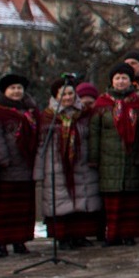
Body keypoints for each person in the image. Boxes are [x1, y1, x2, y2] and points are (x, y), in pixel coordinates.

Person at [91, 64, 139, 246]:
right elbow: (95, 133)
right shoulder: (102, 104)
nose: (121, 82)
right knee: (113, 201)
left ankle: (129, 234)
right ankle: (112, 235)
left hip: (134, 158)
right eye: (117, 78)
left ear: (131, 81)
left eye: (124, 78)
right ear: (112, 81)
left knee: (132, 199)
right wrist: (94, 158)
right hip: (109, 160)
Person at [38, 77, 102, 247]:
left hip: (81, 162)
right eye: (63, 94)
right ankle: (63, 237)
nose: (67, 97)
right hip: (57, 164)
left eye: (70, 93)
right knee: (61, 201)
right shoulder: (48, 116)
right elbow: (41, 144)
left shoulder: (85, 114)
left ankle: (80, 235)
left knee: (81, 199)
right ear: (55, 96)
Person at [0, 73, 39, 257]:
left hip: (26, 165)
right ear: (4, 91)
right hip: (5, 168)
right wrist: (3, 158)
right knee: (4, 208)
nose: (16, 91)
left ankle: (19, 240)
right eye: (12, 88)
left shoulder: (29, 110)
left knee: (22, 208)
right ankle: (1, 242)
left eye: (19, 88)